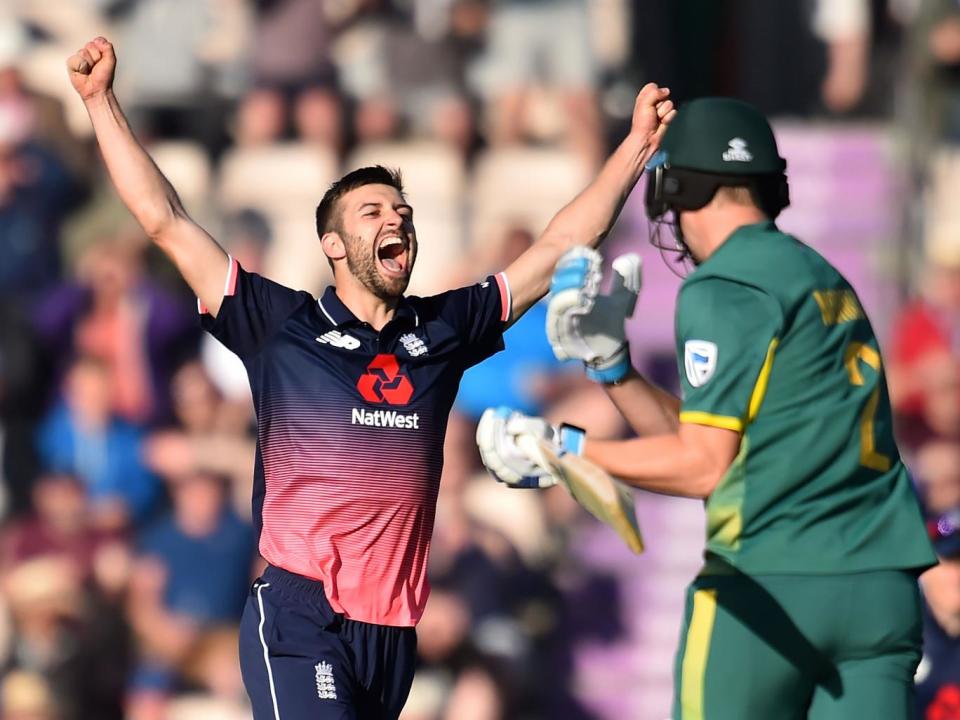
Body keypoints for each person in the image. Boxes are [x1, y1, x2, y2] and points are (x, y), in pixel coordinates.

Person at [65, 36, 675, 719]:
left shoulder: (443, 331)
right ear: (332, 244)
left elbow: (558, 247)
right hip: (300, 615)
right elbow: (165, 220)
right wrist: (100, 102)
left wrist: (635, 149)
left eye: (405, 214)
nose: (397, 221)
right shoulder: (279, 325)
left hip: (391, 634)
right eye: (374, 212)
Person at [477, 97, 937, 719]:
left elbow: (703, 469)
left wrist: (563, 451)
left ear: (683, 184)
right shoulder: (823, 277)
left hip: (772, 586)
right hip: (879, 592)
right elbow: (726, 445)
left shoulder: (723, 285)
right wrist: (615, 372)